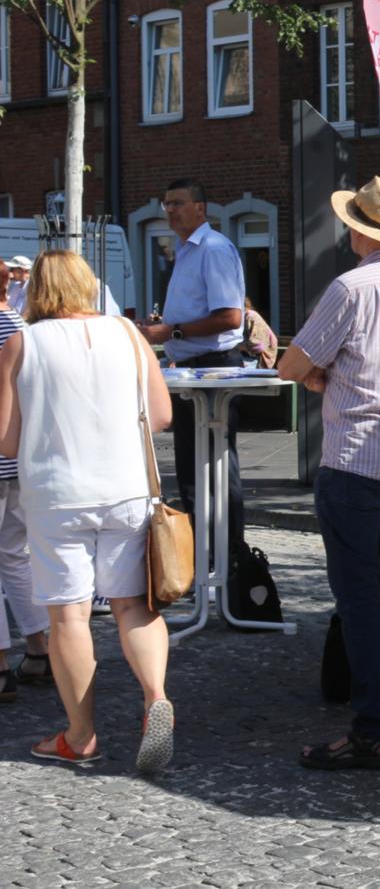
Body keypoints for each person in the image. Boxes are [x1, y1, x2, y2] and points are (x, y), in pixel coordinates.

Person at [279, 176, 380, 770]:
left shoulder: (351, 287)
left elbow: (294, 365)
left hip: (354, 459)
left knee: (359, 599)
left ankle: (374, 725)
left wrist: (312, 372)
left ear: (358, 230)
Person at [0, 251, 175, 770]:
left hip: (57, 494)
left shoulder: (22, 342)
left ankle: (81, 736)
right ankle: (156, 697)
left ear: (35, 290)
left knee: (70, 615)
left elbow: (7, 442)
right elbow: (161, 415)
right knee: (134, 606)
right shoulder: (127, 334)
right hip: (127, 488)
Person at [135, 179, 250, 567]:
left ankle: (229, 558)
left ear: (200, 208)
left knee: (215, 465)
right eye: (166, 204)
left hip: (213, 369)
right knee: (191, 468)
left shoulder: (213, 249)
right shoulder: (185, 250)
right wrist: (165, 327)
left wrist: (172, 331)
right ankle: (203, 559)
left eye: (178, 204)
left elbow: (230, 317)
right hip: (191, 367)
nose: (170, 211)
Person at [0, 258, 51, 699]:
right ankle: (39, 651)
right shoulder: (21, 326)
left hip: (1, 453)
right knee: (14, 555)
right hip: (22, 461)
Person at [239, 298, 279, 369]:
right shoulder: (246, 316)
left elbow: (258, 346)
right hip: (250, 356)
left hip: (258, 359)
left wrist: (238, 347)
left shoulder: (250, 315)